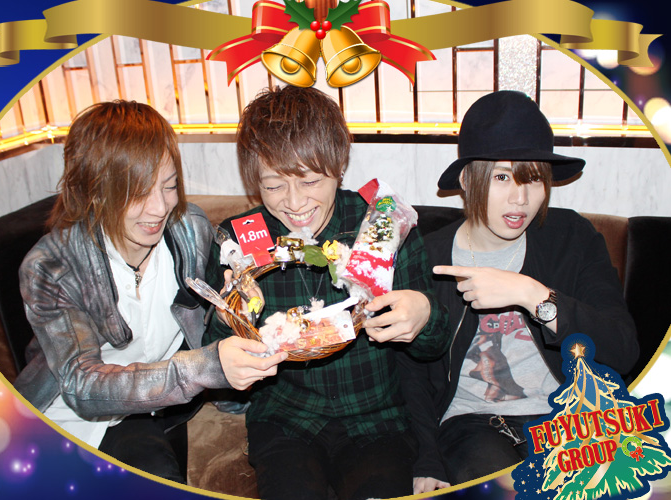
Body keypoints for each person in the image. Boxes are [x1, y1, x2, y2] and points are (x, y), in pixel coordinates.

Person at [13, 100, 287, 484]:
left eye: (169, 185)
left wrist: (231, 310)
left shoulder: (189, 231)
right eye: (138, 192)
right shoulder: (54, 266)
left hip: (156, 407)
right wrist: (205, 366)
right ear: (94, 191)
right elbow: (82, 387)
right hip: (72, 417)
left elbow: (213, 313)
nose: (159, 207)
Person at [203, 85, 450, 500]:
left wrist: (423, 313)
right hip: (286, 419)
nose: (294, 202)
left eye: (310, 181)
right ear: (255, 181)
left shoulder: (382, 224)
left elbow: (434, 345)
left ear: (339, 166)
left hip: (378, 421)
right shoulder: (240, 241)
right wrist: (228, 323)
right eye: (274, 186)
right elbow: (215, 357)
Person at [398, 90, 639, 493]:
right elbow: (409, 373)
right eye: (502, 177)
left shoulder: (572, 238)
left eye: (534, 178)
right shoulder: (427, 256)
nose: (521, 198)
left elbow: (622, 349)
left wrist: (533, 295)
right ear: (466, 180)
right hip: (472, 424)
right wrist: (427, 457)